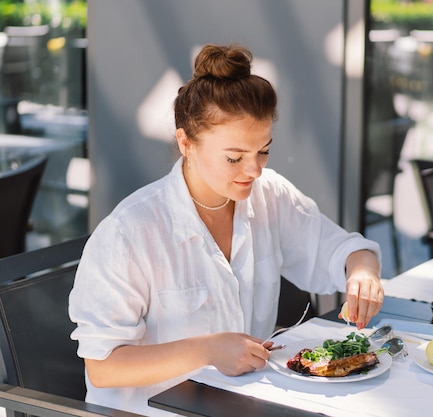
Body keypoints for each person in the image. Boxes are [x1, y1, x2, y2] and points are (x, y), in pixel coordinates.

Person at [68, 43, 384, 415]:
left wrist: (362, 271)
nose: (254, 171)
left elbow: (342, 251)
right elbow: (103, 367)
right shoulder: (129, 233)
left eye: (263, 151)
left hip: (245, 404)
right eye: (234, 157)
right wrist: (206, 349)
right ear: (186, 142)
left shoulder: (270, 196)